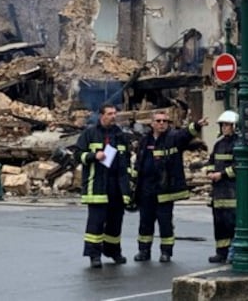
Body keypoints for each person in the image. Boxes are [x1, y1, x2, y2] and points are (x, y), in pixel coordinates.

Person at [133, 112, 207, 263]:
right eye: (159, 121)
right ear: (152, 123)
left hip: (164, 189)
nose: (162, 123)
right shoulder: (144, 140)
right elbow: (139, 163)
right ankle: (143, 251)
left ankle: (166, 252)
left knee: (165, 223)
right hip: (146, 189)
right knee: (145, 222)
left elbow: (186, 134)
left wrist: (197, 125)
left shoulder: (173, 138)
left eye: (165, 121)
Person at [75, 103, 132, 268]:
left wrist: (127, 186)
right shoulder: (89, 133)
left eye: (115, 113)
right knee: (96, 223)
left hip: (116, 185)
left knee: (115, 222)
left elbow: (126, 160)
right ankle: (94, 255)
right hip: (98, 185)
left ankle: (113, 251)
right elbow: (78, 155)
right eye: (109, 113)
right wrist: (93, 155)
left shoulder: (120, 135)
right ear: (102, 115)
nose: (113, 116)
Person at [205, 110, 238, 264]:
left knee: (231, 223)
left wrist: (222, 174)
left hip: (232, 190)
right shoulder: (218, 144)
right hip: (218, 191)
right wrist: (210, 171)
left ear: (234, 126)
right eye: (223, 125)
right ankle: (221, 252)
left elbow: (238, 167)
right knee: (219, 223)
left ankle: (233, 252)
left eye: (227, 125)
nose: (224, 127)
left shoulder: (238, 144)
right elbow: (212, 161)